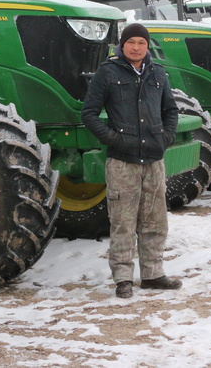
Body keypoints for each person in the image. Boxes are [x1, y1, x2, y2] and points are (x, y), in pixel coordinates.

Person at [81, 22, 182, 299]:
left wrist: (166, 137)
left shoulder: (158, 73)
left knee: (155, 221)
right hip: (122, 162)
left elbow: (171, 110)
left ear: (147, 47)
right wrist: (114, 139)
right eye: (131, 42)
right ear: (122, 45)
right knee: (123, 221)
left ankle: (152, 274)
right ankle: (123, 278)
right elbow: (89, 114)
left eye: (142, 43)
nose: (136, 48)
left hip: (153, 160)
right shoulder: (107, 72)